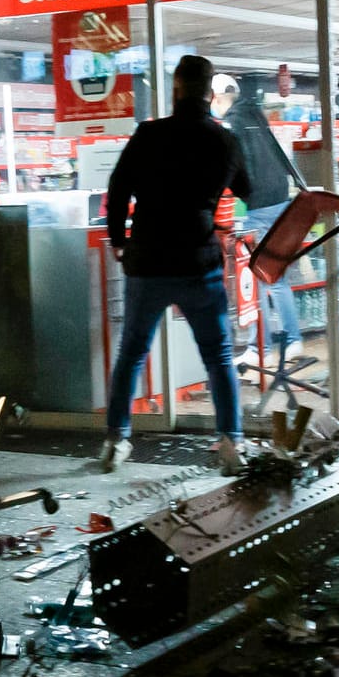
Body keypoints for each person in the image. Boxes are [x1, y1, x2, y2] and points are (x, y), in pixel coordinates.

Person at [101, 55, 253, 476]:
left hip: (148, 262)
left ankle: (115, 440)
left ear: (175, 89)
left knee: (131, 353)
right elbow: (247, 187)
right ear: (210, 94)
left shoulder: (148, 135)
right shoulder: (224, 140)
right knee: (219, 358)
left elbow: (118, 189)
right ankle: (230, 443)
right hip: (198, 264)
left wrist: (118, 240)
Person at [212, 72, 305, 367]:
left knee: (254, 281)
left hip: (259, 208)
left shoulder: (234, 123)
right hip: (281, 202)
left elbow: (237, 166)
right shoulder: (256, 114)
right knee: (275, 279)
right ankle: (290, 342)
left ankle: (260, 348)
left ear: (218, 97)